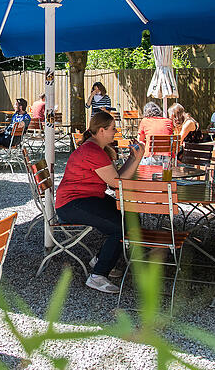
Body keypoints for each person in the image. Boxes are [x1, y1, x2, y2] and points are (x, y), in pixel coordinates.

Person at [55, 111, 145, 293]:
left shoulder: (97, 149)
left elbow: (116, 180)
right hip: (72, 204)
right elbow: (116, 183)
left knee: (130, 216)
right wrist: (137, 158)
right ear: (102, 130)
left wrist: (133, 158)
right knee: (119, 226)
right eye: (113, 128)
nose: (115, 132)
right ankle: (97, 276)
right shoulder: (92, 151)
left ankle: (101, 258)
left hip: (87, 197)